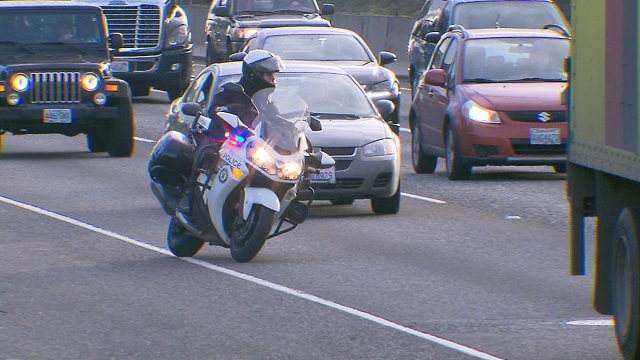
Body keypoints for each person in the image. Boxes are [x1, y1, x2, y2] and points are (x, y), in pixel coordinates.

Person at [177, 50, 286, 216]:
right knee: (207, 152)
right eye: (269, 75)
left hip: (248, 145)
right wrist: (224, 109)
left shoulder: (265, 102)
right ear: (254, 74)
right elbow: (214, 109)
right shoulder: (231, 91)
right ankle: (189, 195)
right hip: (221, 138)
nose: (273, 80)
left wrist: (293, 126)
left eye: (273, 75)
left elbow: (275, 119)